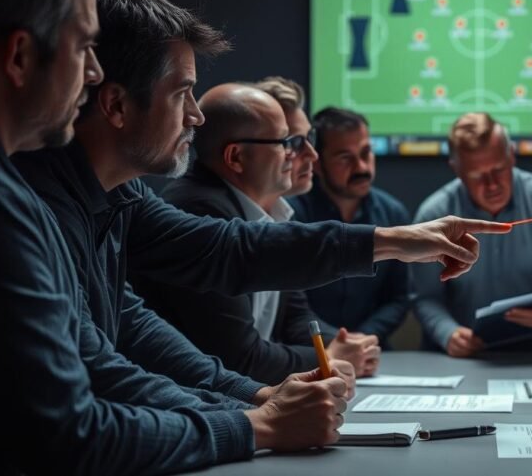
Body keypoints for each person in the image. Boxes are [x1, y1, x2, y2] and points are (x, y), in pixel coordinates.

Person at [11, 0, 507, 451]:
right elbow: (97, 391)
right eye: (182, 93)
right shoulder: (34, 205)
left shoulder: (117, 194)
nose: (195, 116)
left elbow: (143, 314)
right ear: (117, 105)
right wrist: (255, 421)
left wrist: (253, 397)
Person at [0, 0, 348, 474]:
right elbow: (70, 431)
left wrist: (250, 406)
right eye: (82, 47)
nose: (93, 73)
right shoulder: (18, 204)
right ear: (21, 56)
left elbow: (118, 343)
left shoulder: (86, 195)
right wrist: (254, 422)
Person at [140, 83, 379, 382]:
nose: (310, 155)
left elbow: (295, 317)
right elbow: (240, 359)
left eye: (308, 140)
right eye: (289, 142)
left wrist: (341, 345)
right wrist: (328, 358)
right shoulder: (200, 209)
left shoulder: (271, 211)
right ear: (236, 157)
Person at [410, 112, 532, 356]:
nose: (492, 184)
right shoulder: (433, 215)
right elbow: (425, 296)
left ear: (512, 155)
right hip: (460, 356)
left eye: (499, 169)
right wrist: (448, 333)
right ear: (456, 169)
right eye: (477, 175)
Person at [290, 106, 410, 350]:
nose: (362, 168)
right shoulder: (292, 215)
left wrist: (362, 339)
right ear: (317, 164)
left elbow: (399, 297)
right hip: (308, 353)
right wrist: (335, 341)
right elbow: (290, 303)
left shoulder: (393, 213)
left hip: (371, 351)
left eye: (366, 153)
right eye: (345, 158)